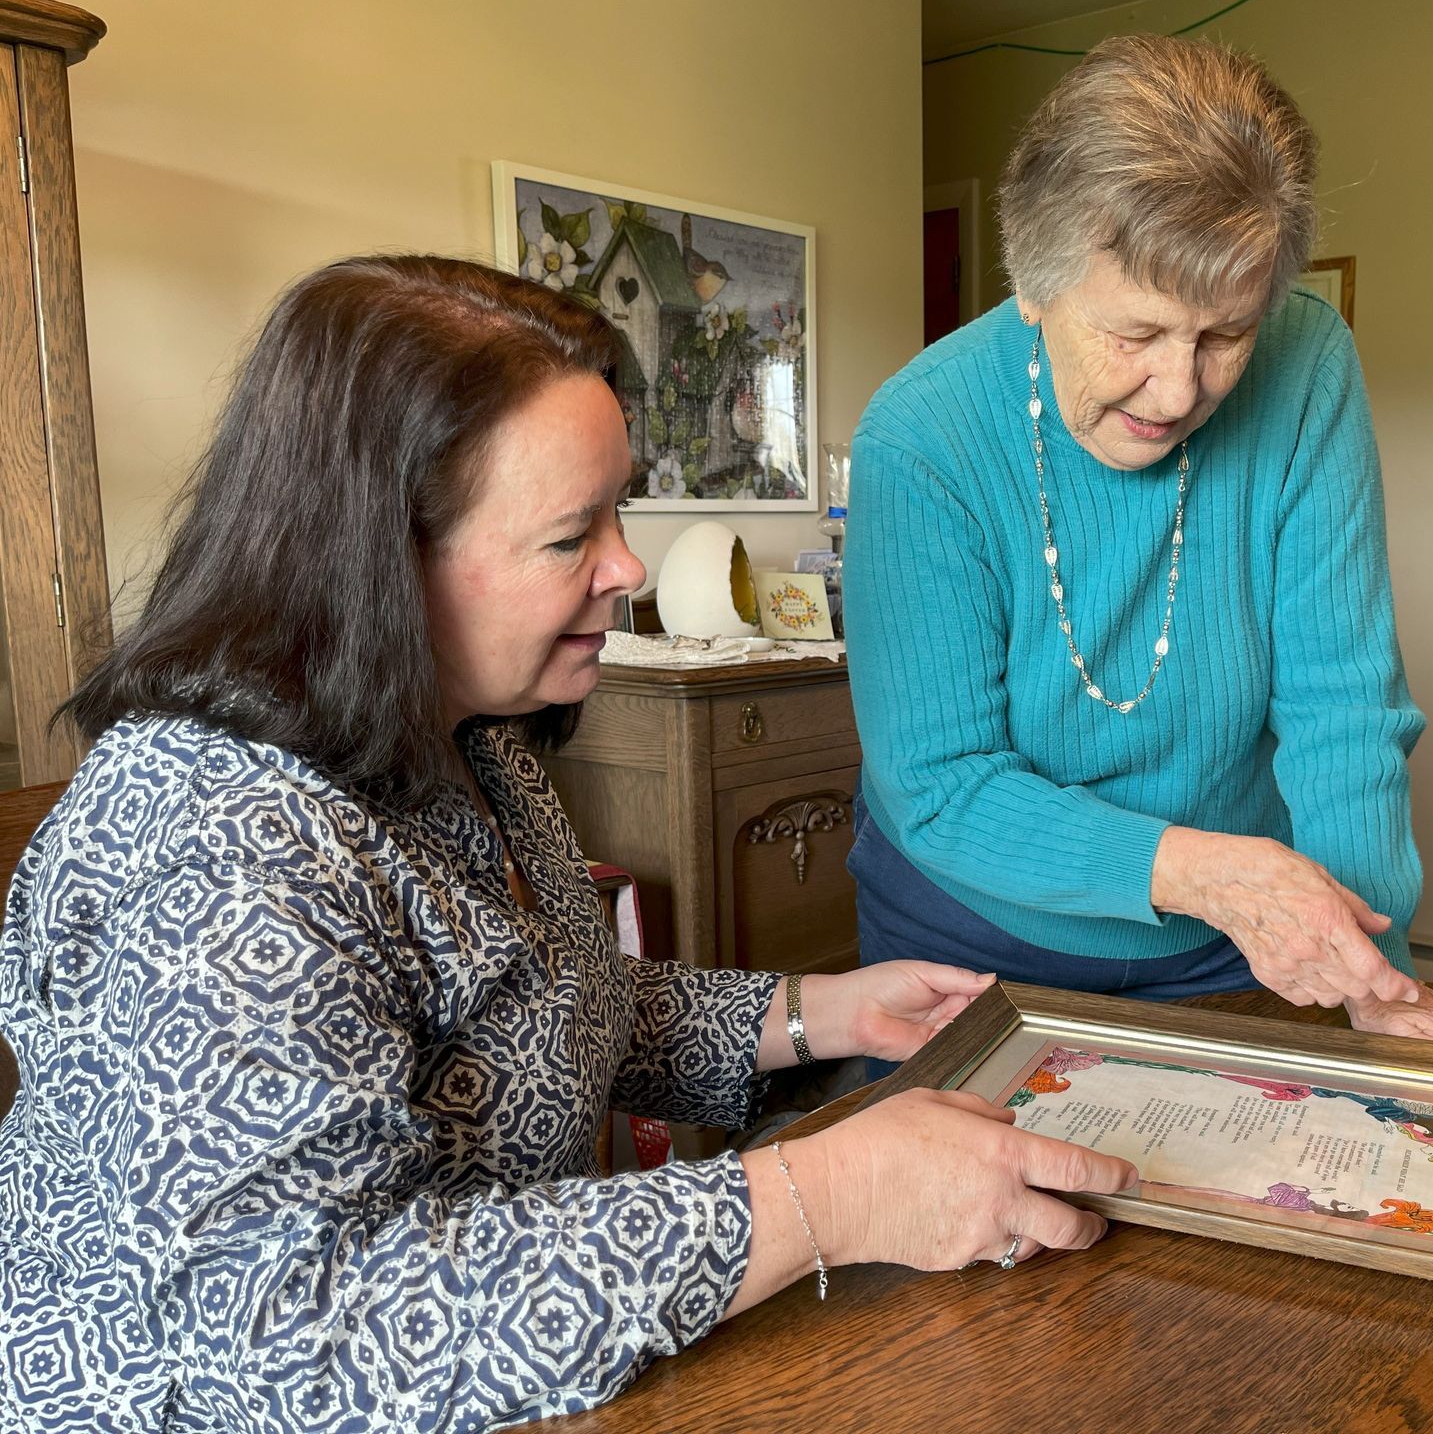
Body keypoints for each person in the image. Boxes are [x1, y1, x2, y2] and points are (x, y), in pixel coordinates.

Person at [0, 256, 1137, 1433]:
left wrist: (815, 1014)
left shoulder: (469, 742)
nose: (629, 568)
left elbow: (541, 1010)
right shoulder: (214, 846)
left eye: (620, 509)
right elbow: (297, 1336)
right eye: (567, 537)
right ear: (379, 561)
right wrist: (827, 1196)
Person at [844, 34, 1433, 1077]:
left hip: (1225, 949)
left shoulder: (1310, 364)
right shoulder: (920, 437)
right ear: (1033, 282)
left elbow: (1342, 708)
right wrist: (1208, 873)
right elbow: (943, 785)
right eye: (1136, 334)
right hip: (975, 951)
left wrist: (1379, 981)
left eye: (1223, 337)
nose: (1176, 391)